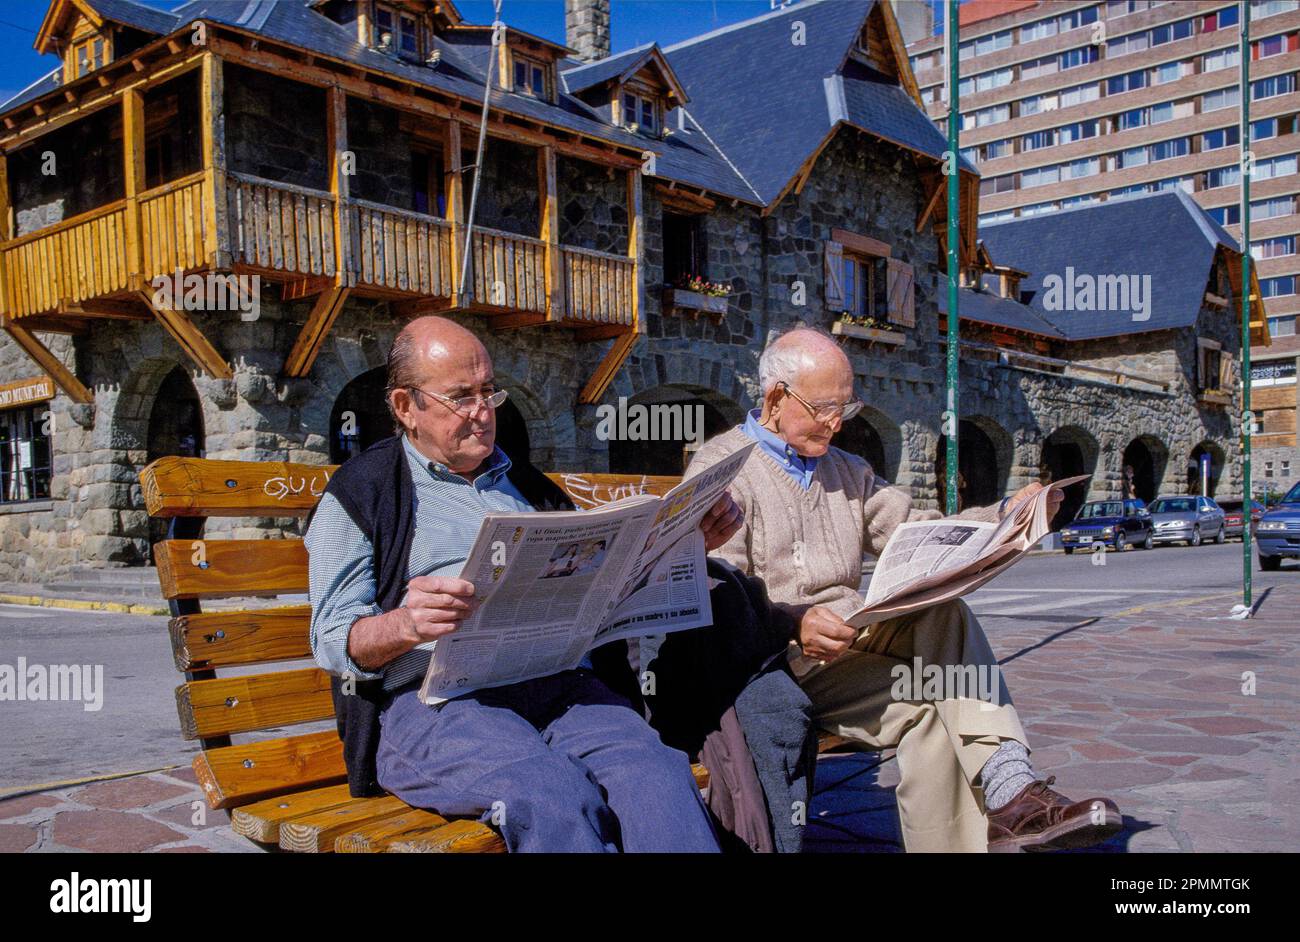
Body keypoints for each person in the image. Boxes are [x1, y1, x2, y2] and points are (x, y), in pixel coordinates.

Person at [305, 315, 745, 852]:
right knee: (549, 793)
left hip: (560, 688)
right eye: (460, 397)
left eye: (489, 392)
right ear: (405, 407)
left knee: (656, 772)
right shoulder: (362, 493)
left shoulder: (530, 487)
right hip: (438, 705)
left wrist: (683, 547)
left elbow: (601, 595)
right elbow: (331, 640)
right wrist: (403, 624)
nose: (483, 413)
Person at [686, 326, 1122, 853]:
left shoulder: (849, 470)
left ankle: (1011, 791)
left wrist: (1007, 518)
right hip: (775, 663)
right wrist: (794, 621)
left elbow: (918, 529)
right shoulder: (723, 468)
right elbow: (715, 589)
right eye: (824, 408)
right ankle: (1009, 793)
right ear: (776, 396)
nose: (835, 423)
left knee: (943, 616)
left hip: (846, 644)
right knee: (932, 705)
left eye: (845, 409)